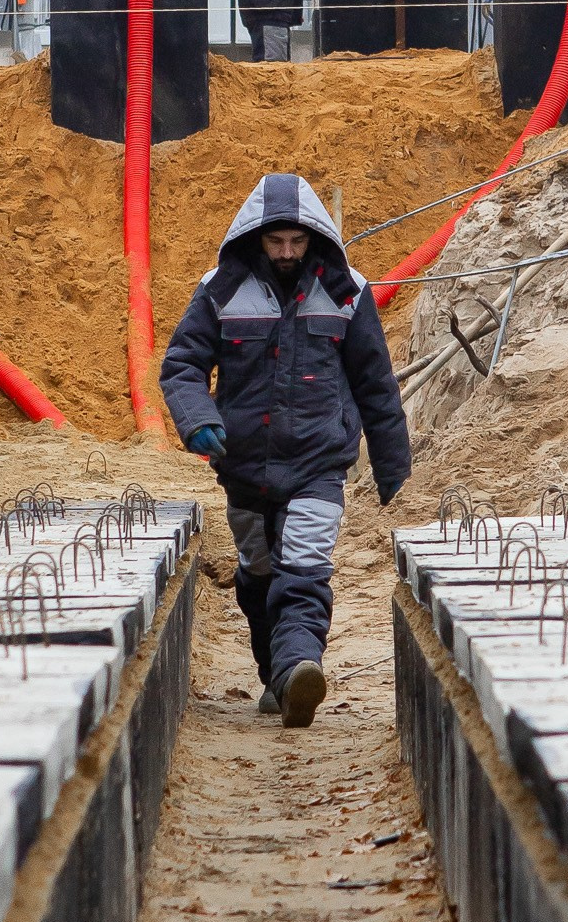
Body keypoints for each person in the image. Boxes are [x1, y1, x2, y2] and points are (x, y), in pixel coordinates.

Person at [160, 171, 411, 730]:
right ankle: (277, 671)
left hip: (319, 462)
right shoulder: (220, 289)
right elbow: (181, 366)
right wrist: (197, 420)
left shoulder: (347, 294)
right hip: (243, 464)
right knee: (259, 569)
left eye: (298, 243)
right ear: (255, 237)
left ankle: (301, 663)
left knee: (304, 566)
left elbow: (375, 382)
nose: (287, 253)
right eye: (276, 242)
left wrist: (392, 461)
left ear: (314, 239)